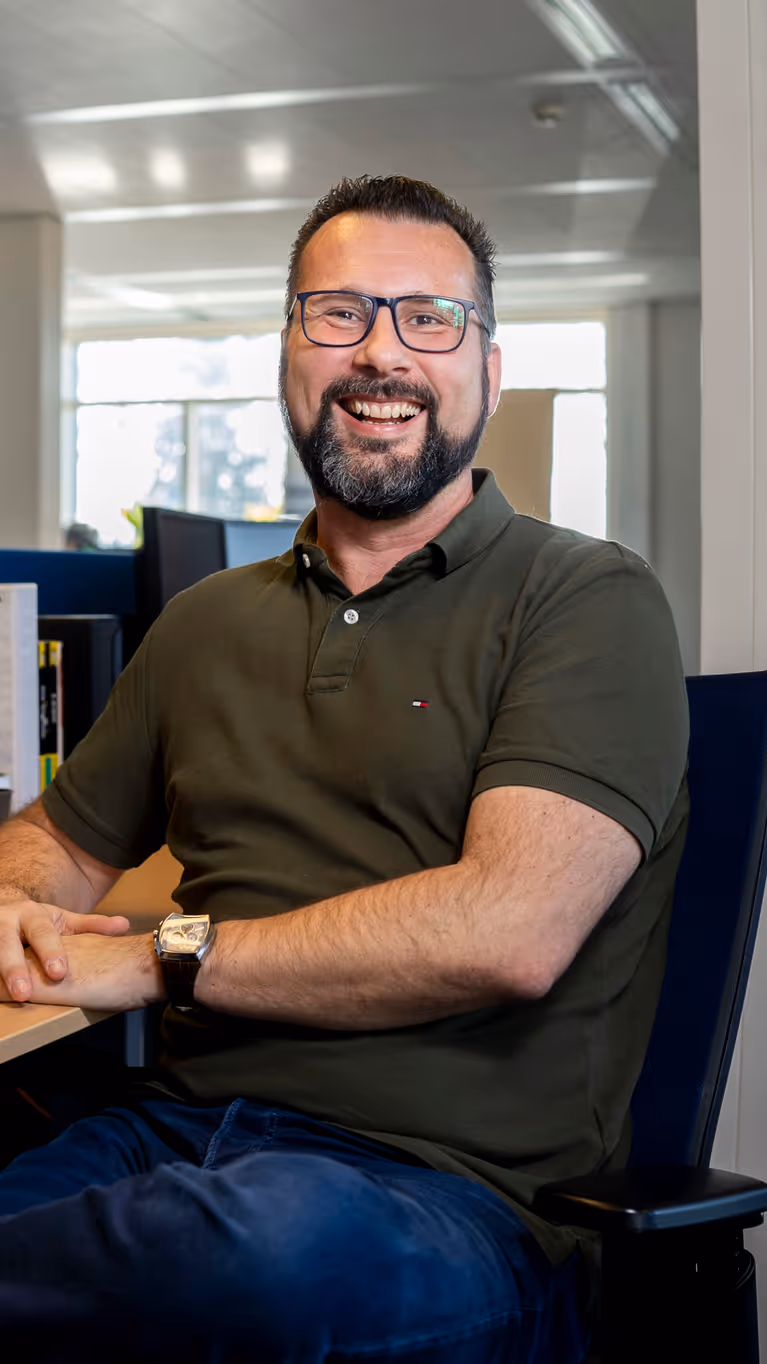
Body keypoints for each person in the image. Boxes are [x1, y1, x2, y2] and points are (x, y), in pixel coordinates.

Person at [0, 175, 689, 1364]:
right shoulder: (209, 622)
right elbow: (57, 842)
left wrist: (157, 959)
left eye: (429, 317)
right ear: (287, 350)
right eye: (337, 314)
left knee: (242, 1252)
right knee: (163, 1234)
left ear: (489, 364)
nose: (381, 353)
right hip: (169, 1142)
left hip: (450, 1200)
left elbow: (504, 930)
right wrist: (18, 903)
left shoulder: (585, 598)